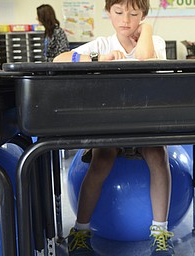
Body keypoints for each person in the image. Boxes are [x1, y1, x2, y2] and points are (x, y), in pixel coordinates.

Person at [54, 0, 174, 256]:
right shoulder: (102, 44)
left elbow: (144, 59)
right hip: (111, 122)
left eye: (134, 14)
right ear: (108, 13)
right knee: (102, 160)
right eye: (118, 12)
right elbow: (60, 58)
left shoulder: (155, 42)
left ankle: (160, 232)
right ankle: (81, 231)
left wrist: (149, 30)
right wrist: (99, 58)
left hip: (146, 120)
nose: (126, 20)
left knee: (157, 155)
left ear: (143, 15)